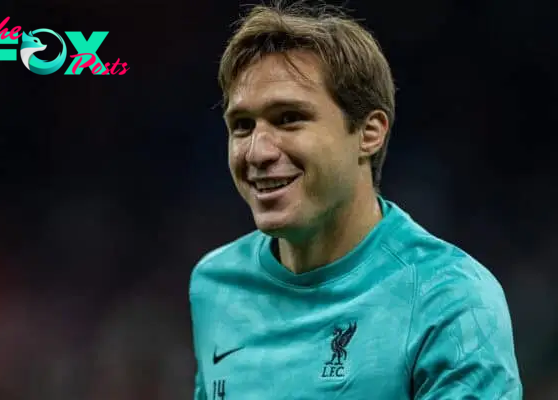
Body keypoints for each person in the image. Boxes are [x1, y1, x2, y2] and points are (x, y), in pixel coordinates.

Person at [189, 2, 522, 399]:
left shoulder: (449, 298)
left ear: (369, 133)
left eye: (289, 118)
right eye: (242, 126)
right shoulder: (214, 285)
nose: (257, 151)